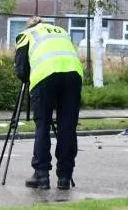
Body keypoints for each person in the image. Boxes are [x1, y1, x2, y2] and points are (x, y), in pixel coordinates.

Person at [13, 16, 84, 194]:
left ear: (30, 25)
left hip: (45, 76)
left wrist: (29, 79)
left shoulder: (27, 34)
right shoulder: (62, 32)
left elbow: (21, 70)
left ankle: (41, 174)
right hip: (73, 75)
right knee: (67, 127)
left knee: (43, 124)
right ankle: (64, 177)